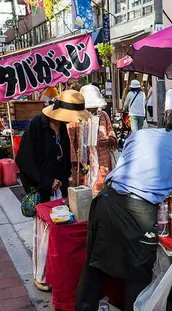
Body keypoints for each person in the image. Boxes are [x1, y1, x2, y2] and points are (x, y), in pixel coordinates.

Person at [75, 108, 172, 311]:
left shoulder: (140, 134)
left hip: (106, 200)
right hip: (136, 211)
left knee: (94, 266)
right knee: (137, 276)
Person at [16, 90, 90, 292]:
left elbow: (64, 155)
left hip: (60, 189)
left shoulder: (63, 126)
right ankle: (41, 274)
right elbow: (24, 159)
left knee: (59, 233)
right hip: (43, 188)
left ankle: (56, 271)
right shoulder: (37, 125)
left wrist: (67, 178)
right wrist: (47, 181)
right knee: (44, 233)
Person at [67, 84, 117, 196]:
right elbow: (70, 142)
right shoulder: (75, 118)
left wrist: (109, 140)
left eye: (95, 107)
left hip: (103, 162)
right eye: (90, 107)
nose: (93, 109)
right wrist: (74, 164)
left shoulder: (103, 115)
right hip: (84, 163)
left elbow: (111, 133)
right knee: (85, 193)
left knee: (103, 192)